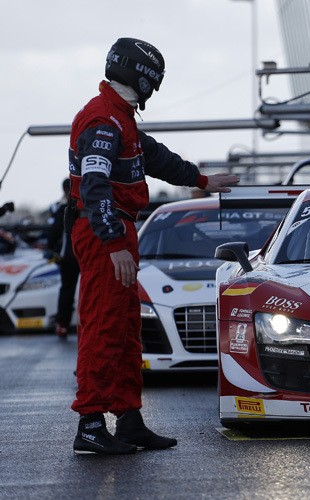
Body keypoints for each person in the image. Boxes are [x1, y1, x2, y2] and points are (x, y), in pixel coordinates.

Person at [68, 38, 239, 455]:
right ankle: (90, 424)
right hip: (104, 233)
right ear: (143, 77)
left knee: (126, 331)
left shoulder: (118, 118)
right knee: (103, 328)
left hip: (115, 232)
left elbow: (155, 156)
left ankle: (128, 420)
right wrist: (113, 243)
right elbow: (94, 187)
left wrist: (201, 180)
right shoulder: (103, 121)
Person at [46, 179, 80, 340]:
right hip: (86, 255)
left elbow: (53, 233)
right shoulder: (87, 205)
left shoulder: (62, 209)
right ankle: (88, 326)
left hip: (68, 256)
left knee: (67, 290)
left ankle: (63, 326)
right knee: (90, 290)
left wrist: (50, 250)